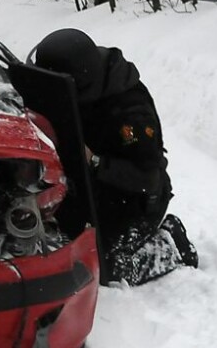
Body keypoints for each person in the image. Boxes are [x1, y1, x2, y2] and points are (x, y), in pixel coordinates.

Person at [27, 28, 198, 286]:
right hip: (86, 184)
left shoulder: (130, 113)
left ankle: (171, 244)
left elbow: (147, 178)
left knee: (101, 269)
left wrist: (94, 160)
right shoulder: (69, 91)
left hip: (133, 198)